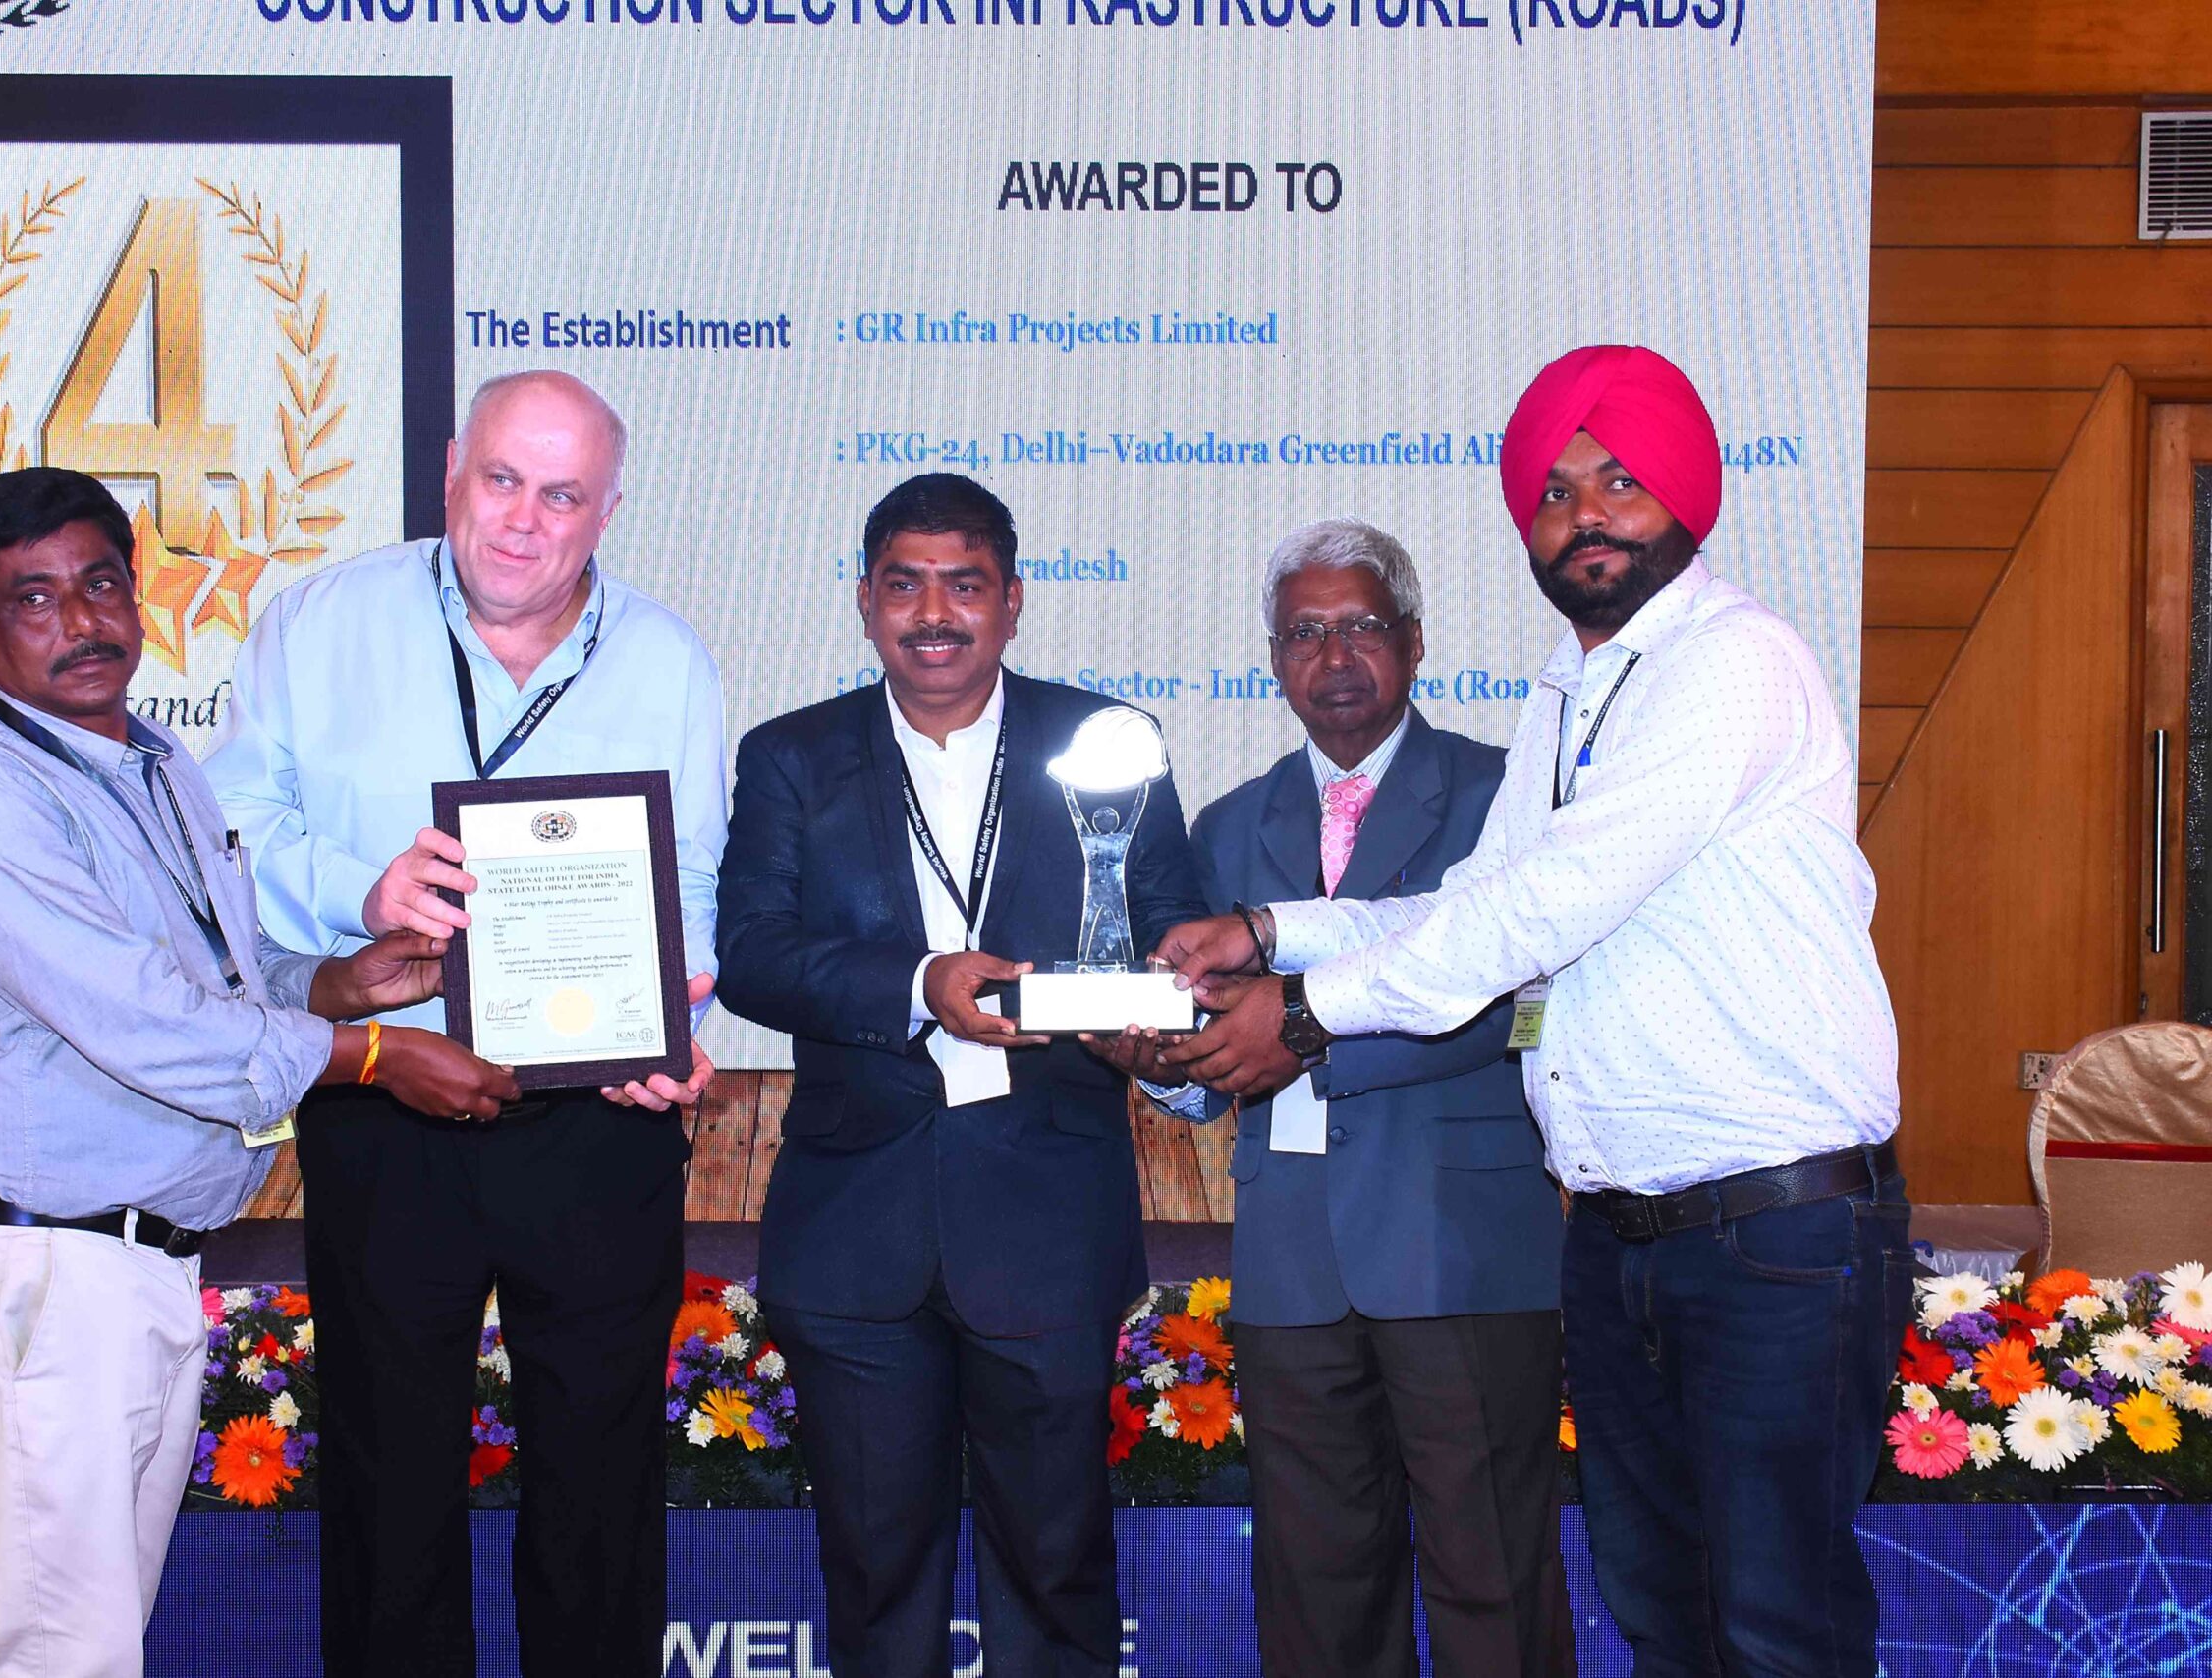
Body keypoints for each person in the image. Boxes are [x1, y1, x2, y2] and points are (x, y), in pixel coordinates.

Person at [1158, 346, 1909, 1678]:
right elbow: (1468, 903)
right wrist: (1269, 929)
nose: (1584, 515)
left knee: (1777, 1625)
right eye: (1554, 493)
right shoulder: (1568, 692)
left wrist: (1303, 1011)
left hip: (1772, 1230)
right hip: (1625, 1234)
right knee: (1664, 1611)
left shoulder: (1733, 661)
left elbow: (1542, 911)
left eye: (1618, 480)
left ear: (1683, 493)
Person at [0, 467, 516, 1678]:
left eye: (101, 585)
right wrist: (373, 1057)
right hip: (47, 1272)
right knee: (60, 1653)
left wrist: (340, 984)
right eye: (35, 599)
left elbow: (216, 978)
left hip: (133, 1267)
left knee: (93, 1640)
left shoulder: (156, 764)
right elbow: (142, 1022)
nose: (82, 622)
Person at [203, 371, 725, 1677]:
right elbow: (228, 832)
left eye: (562, 494)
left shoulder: (666, 658)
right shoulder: (318, 623)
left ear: (607, 511)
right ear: (450, 470)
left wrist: (670, 1014)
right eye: (501, 479)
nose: (523, 520)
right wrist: (359, 890)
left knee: (602, 1481)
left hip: (596, 1119)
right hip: (390, 1092)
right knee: (387, 1474)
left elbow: (692, 881)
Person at [715, 472, 1209, 1678]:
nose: (933, 613)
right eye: (905, 585)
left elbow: (1172, 939)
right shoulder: (790, 757)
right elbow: (752, 955)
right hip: (855, 1225)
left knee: (1055, 1572)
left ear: (1012, 599)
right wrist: (918, 980)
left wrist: (1157, 1029)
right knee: (876, 1579)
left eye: (964, 585)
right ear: (864, 601)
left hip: (1048, 1220)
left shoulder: (1107, 743)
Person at [1166, 518, 1571, 1678]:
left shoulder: (1500, 795)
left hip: (1462, 1247)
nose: (1333, 655)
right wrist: (1159, 1059)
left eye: (1359, 626)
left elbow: (1520, 1005)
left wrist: (1301, 1042)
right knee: (1316, 1591)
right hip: (1291, 1254)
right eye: (1305, 632)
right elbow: (1211, 1045)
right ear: (1273, 659)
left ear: (1414, 640)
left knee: (1491, 1580)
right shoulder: (1227, 823)